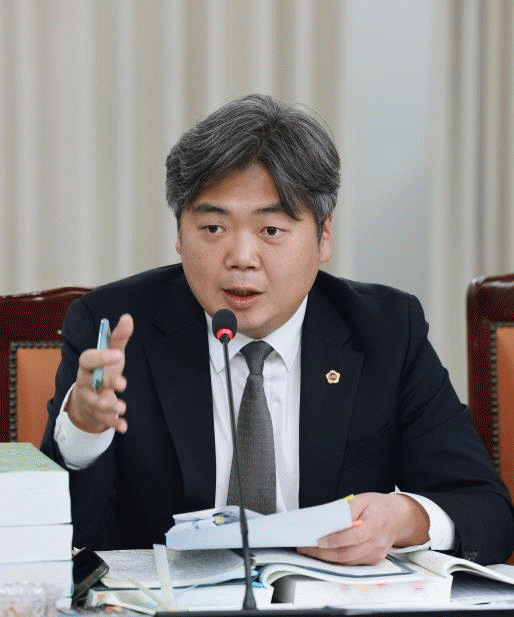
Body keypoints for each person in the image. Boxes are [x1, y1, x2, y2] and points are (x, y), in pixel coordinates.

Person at [41, 94, 514, 565]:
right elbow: (59, 536)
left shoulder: (386, 331)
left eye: (271, 230)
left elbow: (486, 511)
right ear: (180, 235)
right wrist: (84, 429)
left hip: (329, 609)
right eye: (213, 228)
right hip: (169, 610)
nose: (241, 258)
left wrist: (405, 517)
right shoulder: (115, 331)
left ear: (323, 236)